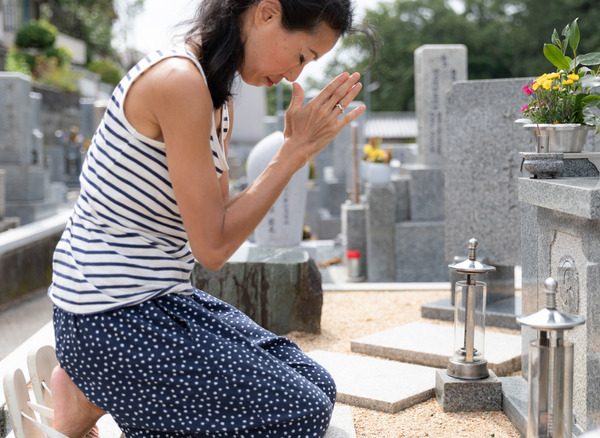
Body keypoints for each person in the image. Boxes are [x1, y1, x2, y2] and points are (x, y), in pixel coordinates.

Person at [46, 0, 367, 436]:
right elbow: (213, 248)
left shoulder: (217, 97)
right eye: (302, 56)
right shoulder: (179, 81)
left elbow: (220, 216)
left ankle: (98, 393)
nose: (295, 76)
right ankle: (91, 388)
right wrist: (292, 155)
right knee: (301, 412)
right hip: (108, 319)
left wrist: (294, 151)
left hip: (159, 301)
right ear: (267, 13)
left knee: (317, 385)